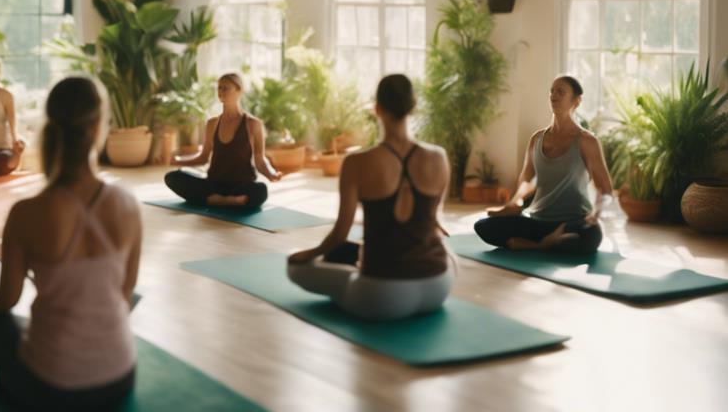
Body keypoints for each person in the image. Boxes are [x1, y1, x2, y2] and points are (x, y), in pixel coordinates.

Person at [0, 76, 142, 411]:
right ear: (96, 129)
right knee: (23, 328)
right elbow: (124, 294)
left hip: (54, 389)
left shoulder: (27, 213)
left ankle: (16, 386)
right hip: (119, 378)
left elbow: (6, 301)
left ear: (52, 128)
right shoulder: (128, 205)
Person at [287, 74, 453, 320]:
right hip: (438, 285)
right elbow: (434, 220)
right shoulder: (439, 157)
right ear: (413, 107)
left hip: (383, 293)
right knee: (345, 251)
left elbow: (340, 233)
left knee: (294, 267)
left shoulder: (356, 163)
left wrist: (308, 255)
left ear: (377, 109)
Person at [473, 75, 614, 254]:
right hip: (538, 220)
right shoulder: (537, 139)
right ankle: (546, 243)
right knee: (483, 226)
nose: (554, 96)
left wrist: (595, 213)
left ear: (576, 101)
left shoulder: (587, 141)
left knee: (592, 235)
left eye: (561, 92)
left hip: (571, 222)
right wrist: (516, 201)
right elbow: (527, 179)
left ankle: (532, 244)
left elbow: (606, 189)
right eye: (552, 91)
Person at [164, 73, 282, 209]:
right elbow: (203, 158)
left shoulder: (253, 124)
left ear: (239, 91)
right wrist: (179, 160)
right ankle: (226, 201)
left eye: (225, 88)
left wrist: (271, 173)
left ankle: (214, 200)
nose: (221, 92)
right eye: (219, 88)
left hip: (241, 186)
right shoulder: (212, 123)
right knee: (173, 177)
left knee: (260, 190)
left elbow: (260, 160)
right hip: (214, 184)